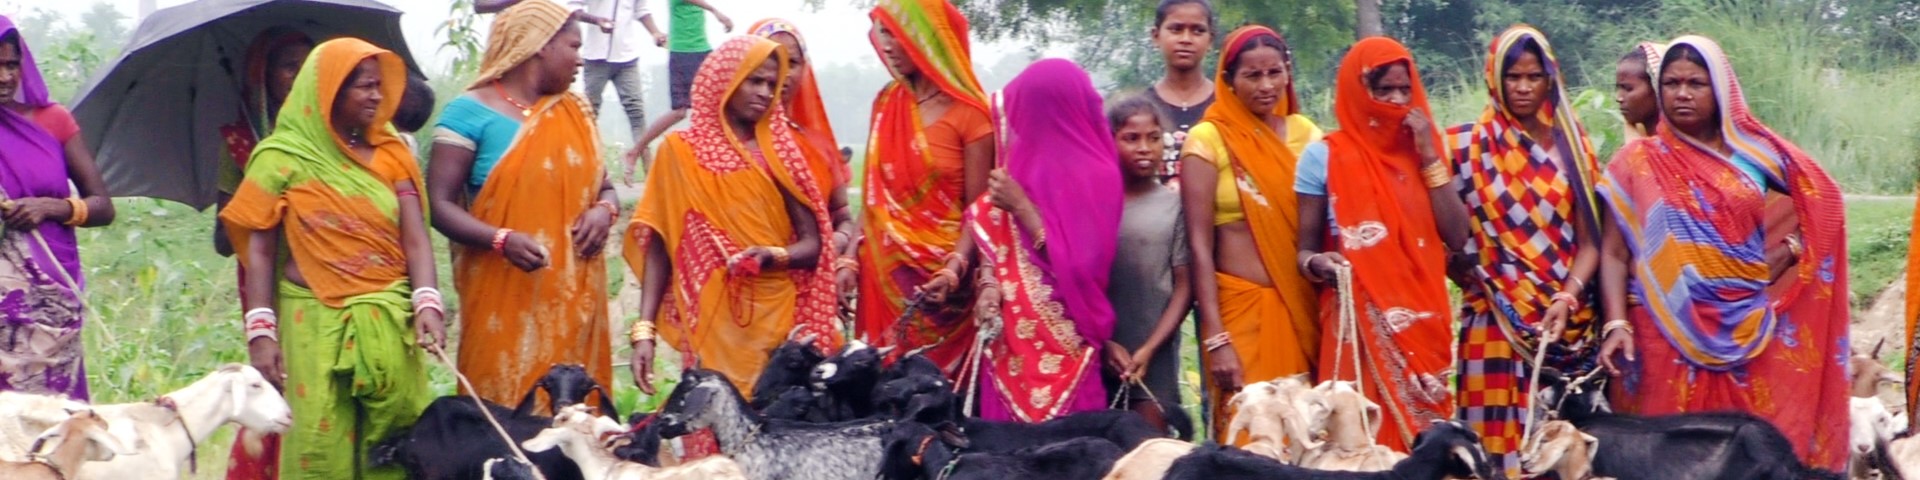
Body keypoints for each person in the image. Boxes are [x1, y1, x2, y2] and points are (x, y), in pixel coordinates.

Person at [1596, 35, 1849, 471]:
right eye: (1672, 83)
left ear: (1722, 90)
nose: (1682, 94)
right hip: (1659, 334)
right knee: (1663, 461)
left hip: (1746, 330)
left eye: (1696, 83)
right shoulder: (1637, 160)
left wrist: (1788, 253)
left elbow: (1825, 202)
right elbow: (1614, 254)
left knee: (1746, 456)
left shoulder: (1755, 155)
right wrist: (1616, 322)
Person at [220, 37, 441, 479]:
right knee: (318, 444)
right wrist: (261, 332)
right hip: (312, 320)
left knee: (394, 438)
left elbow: (415, 239)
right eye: (363, 86)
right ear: (329, 91)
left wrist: (428, 302)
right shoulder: (281, 159)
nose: (377, 96)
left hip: (388, 317)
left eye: (379, 85)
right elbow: (259, 252)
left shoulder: (393, 156)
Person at [427, 0, 619, 410]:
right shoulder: (468, 112)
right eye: (573, 47)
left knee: (576, 425)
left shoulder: (576, 112)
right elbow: (439, 205)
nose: (581, 61)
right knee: (503, 415)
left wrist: (604, 211)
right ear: (539, 46)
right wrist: (501, 239)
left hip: (575, 305)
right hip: (502, 303)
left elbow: (605, 186)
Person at [626, 35, 837, 395]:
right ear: (724, 79)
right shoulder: (678, 153)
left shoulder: (781, 152)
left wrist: (772, 257)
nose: (766, 92)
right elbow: (661, 247)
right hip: (710, 322)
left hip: (777, 322)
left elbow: (814, 245)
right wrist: (644, 330)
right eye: (755, 80)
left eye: (772, 83)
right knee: (711, 428)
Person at [1442, 26, 1603, 477]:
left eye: (1535, 77)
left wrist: (1567, 296)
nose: (1524, 87)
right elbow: (1442, 233)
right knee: (1489, 452)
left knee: (1560, 450)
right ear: (1494, 78)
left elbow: (1593, 240)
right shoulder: (1465, 145)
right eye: (1513, 76)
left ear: (1551, 79)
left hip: (1566, 325)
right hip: (1494, 322)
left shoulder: (1574, 146)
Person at [1294, 36, 1469, 452]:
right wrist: (1319, 263)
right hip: (1356, 318)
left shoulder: (1423, 150)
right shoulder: (1324, 157)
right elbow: (1302, 252)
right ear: (1359, 90)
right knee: (1356, 440)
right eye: (1382, 89)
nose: (1394, 100)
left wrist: (1427, 155)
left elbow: (1457, 235)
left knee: (1429, 449)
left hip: (1424, 322)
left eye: (1404, 90)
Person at [1178, 25, 1322, 444]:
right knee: (1248, 439)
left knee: (1302, 435)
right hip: (1240, 313)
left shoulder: (1306, 135)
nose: (1266, 86)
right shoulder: (1208, 140)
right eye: (1252, 76)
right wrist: (1216, 337)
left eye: (1275, 73)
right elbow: (1199, 246)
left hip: (1300, 310)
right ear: (1227, 80)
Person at [841, 0, 996, 378]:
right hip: (884, 284)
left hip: (945, 290)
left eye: (897, 33)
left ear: (929, 38)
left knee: (939, 404)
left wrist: (953, 270)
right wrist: (848, 258)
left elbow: (980, 212)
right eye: (883, 34)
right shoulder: (885, 104)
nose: (887, 45)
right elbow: (875, 199)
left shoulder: (971, 115)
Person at [0, 15, 116, 401]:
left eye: (11, 65)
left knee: (55, 412)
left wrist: (51, 207)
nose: (4, 77)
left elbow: (102, 206)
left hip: (55, 291)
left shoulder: (54, 120)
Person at [1102, 94, 1190, 431]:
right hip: (1097, 354)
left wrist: (1150, 349)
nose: (1144, 148)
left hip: (1154, 359)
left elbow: (1184, 287)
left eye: (1153, 138)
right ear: (1109, 141)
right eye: (1131, 138)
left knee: (1150, 452)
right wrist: (1103, 344)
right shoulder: (1095, 204)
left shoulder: (1175, 206)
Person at [751, 19, 857, 256]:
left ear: (805, 68)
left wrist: (838, 240)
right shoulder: (724, 144)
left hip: (814, 279)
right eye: (771, 60)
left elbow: (842, 215)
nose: (783, 73)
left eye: (793, 62)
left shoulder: (816, 144)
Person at [625, 0, 732, 179]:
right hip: (684, 52)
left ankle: (712, 163)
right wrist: (715, 11)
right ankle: (635, 151)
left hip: (702, 49)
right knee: (680, 111)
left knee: (717, 108)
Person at [1145, 0, 1215, 182]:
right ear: (1156, 36)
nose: (1186, 39)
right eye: (1176, 29)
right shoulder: (1140, 108)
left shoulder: (1229, 103)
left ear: (1211, 40)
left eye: (1198, 30)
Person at [1616, 42, 1665, 140]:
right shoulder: (1634, 148)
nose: (1618, 98)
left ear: (1655, 88)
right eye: (1618, 88)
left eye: (1628, 89)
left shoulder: (1686, 144)